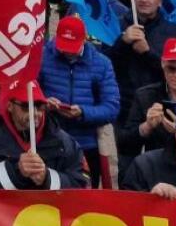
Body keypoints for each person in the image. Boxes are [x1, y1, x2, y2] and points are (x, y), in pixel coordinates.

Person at [37, 15, 120, 184]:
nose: (67, 51)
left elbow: (112, 106)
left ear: (85, 40)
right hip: (49, 139)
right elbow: (30, 90)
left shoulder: (102, 63)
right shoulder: (42, 57)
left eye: (72, 46)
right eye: (63, 46)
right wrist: (44, 102)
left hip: (87, 144)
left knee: (84, 193)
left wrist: (83, 112)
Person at [0, 79, 88, 190]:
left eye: (40, 106)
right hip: (4, 211)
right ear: (10, 106)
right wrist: (16, 171)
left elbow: (83, 184)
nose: (34, 113)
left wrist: (47, 177)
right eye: (26, 106)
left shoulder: (64, 141)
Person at [106, 0, 176, 121]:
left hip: (157, 102)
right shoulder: (116, 25)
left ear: (159, 1)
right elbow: (105, 63)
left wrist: (148, 53)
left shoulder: (173, 32)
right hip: (123, 100)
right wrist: (122, 42)